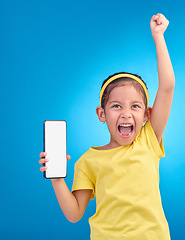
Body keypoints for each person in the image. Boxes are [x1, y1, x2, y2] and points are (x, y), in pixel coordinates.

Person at [39, 13, 175, 240]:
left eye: (134, 106)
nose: (126, 113)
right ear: (101, 114)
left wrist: (158, 37)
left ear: (146, 115)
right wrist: (56, 178)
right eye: (116, 106)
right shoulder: (87, 161)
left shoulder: (149, 139)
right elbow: (74, 214)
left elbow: (167, 86)